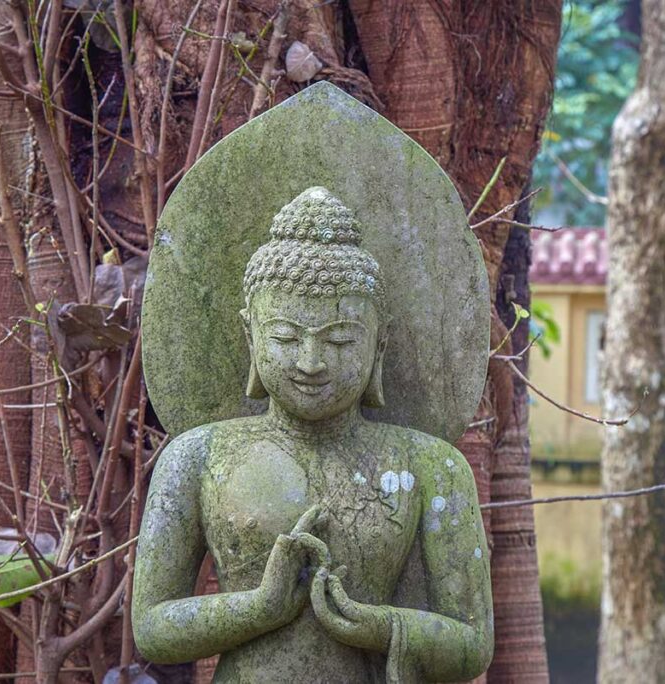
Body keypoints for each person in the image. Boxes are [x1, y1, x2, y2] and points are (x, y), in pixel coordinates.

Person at [132, 187, 493, 683]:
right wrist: (259, 608)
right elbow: (150, 628)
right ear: (250, 338)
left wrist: (381, 627)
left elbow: (473, 642)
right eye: (284, 338)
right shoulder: (197, 457)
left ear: (379, 344)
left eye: (341, 340)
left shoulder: (432, 467)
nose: (310, 363)